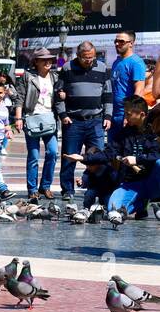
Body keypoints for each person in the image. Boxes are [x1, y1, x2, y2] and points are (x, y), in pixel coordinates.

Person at [69, 96, 160, 219]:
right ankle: (141, 204)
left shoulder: (155, 130)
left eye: (128, 114)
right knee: (113, 209)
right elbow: (108, 153)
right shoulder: (124, 133)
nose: (125, 118)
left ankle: (155, 200)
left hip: (153, 181)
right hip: (131, 182)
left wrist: (137, 159)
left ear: (142, 114)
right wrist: (83, 158)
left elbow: (156, 154)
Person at [55, 41, 111, 199]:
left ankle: (96, 188)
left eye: (92, 57)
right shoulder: (67, 68)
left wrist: (108, 116)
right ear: (78, 56)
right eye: (86, 58)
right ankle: (67, 190)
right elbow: (58, 93)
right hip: (73, 121)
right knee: (69, 157)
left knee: (98, 158)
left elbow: (108, 94)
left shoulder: (102, 67)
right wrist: (63, 115)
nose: (89, 60)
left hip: (96, 120)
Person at [13, 47, 61, 199]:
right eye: (43, 59)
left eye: (50, 59)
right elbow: (19, 97)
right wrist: (19, 118)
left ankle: (45, 186)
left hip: (50, 118)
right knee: (33, 155)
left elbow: (59, 97)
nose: (48, 62)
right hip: (32, 118)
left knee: (53, 152)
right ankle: (32, 189)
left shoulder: (55, 77)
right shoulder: (28, 76)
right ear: (36, 62)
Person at [109, 31, 147, 145]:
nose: (117, 44)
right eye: (116, 41)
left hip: (126, 116)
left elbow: (139, 91)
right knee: (112, 153)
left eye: (121, 41)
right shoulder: (117, 61)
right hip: (114, 115)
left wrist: (129, 115)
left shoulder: (136, 62)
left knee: (125, 154)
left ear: (131, 43)